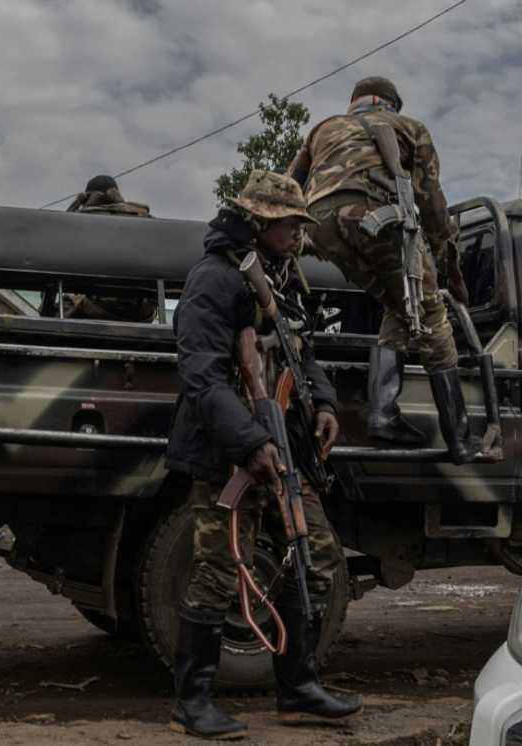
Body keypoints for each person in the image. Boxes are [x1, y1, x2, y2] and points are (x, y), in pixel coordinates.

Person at [165, 171, 361, 739]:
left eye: (302, 225)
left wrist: (323, 404)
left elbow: (305, 352)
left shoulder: (282, 280)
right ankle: (191, 702)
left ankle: (297, 688)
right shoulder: (214, 280)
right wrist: (250, 443)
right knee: (220, 570)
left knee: (316, 557)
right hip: (229, 452)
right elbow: (201, 375)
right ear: (260, 222)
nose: (300, 234)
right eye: (291, 224)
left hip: (287, 446)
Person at [288, 76, 479, 464]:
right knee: (431, 316)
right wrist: (443, 261)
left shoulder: (322, 128)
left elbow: (289, 183)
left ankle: (383, 414)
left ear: (354, 102)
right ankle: (461, 440)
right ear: (392, 104)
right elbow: (432, 204)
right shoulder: (409, 128)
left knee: (398, 303)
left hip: (318, 225)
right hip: (372, 215)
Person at [56, 175, 157, 322]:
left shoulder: (78, 220)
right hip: (140, 310)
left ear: (87, 197)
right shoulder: (145, 219)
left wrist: (73, 208)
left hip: (93, 307)